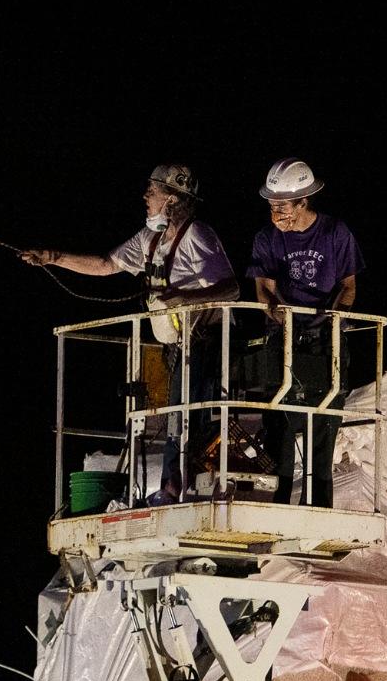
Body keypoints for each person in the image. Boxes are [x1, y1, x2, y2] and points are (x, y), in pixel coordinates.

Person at [21, 164, 239, 500]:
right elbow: (106, 264)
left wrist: (184, 296)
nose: (145, 197)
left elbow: (231, 289)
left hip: (207, 340)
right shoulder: (149, 239)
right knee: (174, 415)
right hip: (176, 343)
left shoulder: (197, 235)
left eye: (151, 191)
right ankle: (174, 483)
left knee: (182, 417)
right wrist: (53, 257)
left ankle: (176, 486)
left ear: (172, 200)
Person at [246, 158, 364, 507]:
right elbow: (263, 289)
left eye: (283, 206)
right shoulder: (266, 238)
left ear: (303, 202)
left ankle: (319, 503)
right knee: (279, 426)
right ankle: (278, 504)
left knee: (324, 422)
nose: (276, 213)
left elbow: (349, 286)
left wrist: (332, 320)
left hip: (326, 342)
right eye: (272, 206)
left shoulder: (334, 233)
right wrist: (281, 316)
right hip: (281, 339)